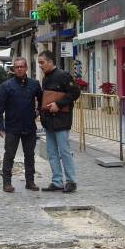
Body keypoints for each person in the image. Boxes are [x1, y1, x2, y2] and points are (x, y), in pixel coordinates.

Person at [0, 57, 42, 193]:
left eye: (22, 66)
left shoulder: (34, 84)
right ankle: (7, 182)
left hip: (29, 126)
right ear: (13, 69)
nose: (20, 69)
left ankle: (30, 181)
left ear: (26, 68)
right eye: (17, 67)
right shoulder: (6, 86)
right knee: (9, 155)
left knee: (30, 155)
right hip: (12, 127)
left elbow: (42, 98)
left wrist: (39, 111)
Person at [37, 50, 81, 193]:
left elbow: (75, 93)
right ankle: (57, 181)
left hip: (61, 121)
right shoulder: (45, 78)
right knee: (51, 152)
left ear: (50, 61)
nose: (40, 66)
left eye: (42, 62)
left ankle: (71, 181)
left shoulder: (64, 75)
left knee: (64, 151)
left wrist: (59, 104)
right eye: (39, 63)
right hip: (48, 121)